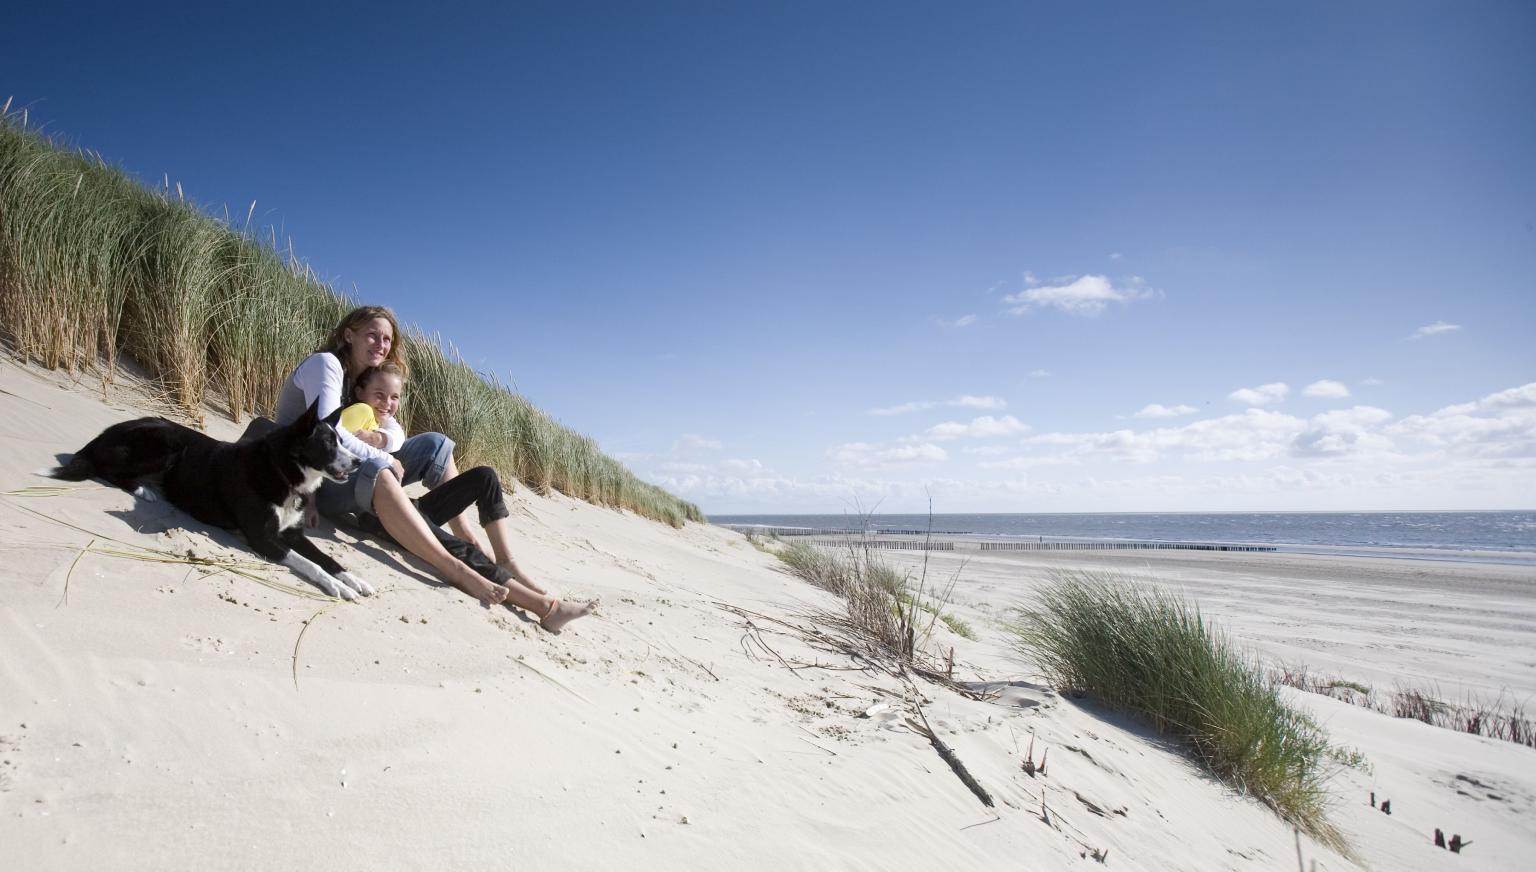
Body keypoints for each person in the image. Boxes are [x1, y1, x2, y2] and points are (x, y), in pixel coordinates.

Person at [274, 305, 596, 632]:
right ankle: (456, 568)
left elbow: (395, 432)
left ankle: (475, 540)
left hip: (347, 471)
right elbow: (329, 433)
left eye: (387, 339)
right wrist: (384, 457)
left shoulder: (368, 380)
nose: (380, 344)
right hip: (312, 479)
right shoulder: (326, 365)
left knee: (436, 443)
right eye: (372, 335)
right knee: (383, 471)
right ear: (348, 335)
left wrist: (380, 438)